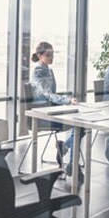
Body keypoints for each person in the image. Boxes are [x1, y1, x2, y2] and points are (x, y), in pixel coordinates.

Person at [30, 42, 79, 176]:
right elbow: (48, 95)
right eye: (48, 55)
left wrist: (66, 102)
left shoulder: (49, 70)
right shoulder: (37, 72)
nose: (52, 57)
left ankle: (65, 148)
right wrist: (67, 100)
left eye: (53, 54)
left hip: (52, 110)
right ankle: (72, 164)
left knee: (81, 123)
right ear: (40, 56)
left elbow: (52, 95)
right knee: (79, 125)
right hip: (43, 115)